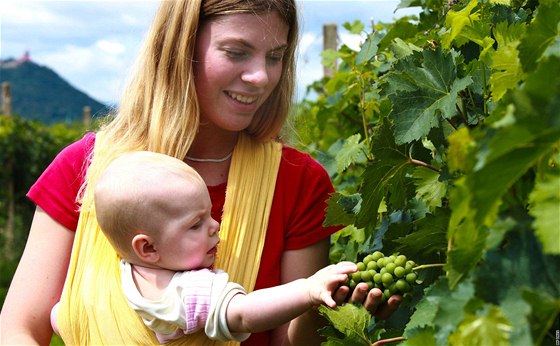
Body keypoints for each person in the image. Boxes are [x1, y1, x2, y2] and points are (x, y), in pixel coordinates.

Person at [0, 1, 401, 345]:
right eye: (237, 51)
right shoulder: (83, 167)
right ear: (181, 48)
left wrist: (326, 301)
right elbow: (18, 328)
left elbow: (291, 342)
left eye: (275, 56)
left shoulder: (298, 182)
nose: (261, 76)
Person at [48, 150, 357, 343]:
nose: (215, 226)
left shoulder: (111, 285)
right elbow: (245, 313)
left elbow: (63, 317)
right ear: (147, 248)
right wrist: (307, 290)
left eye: (210, 214)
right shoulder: (191, 290)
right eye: (196, 224)